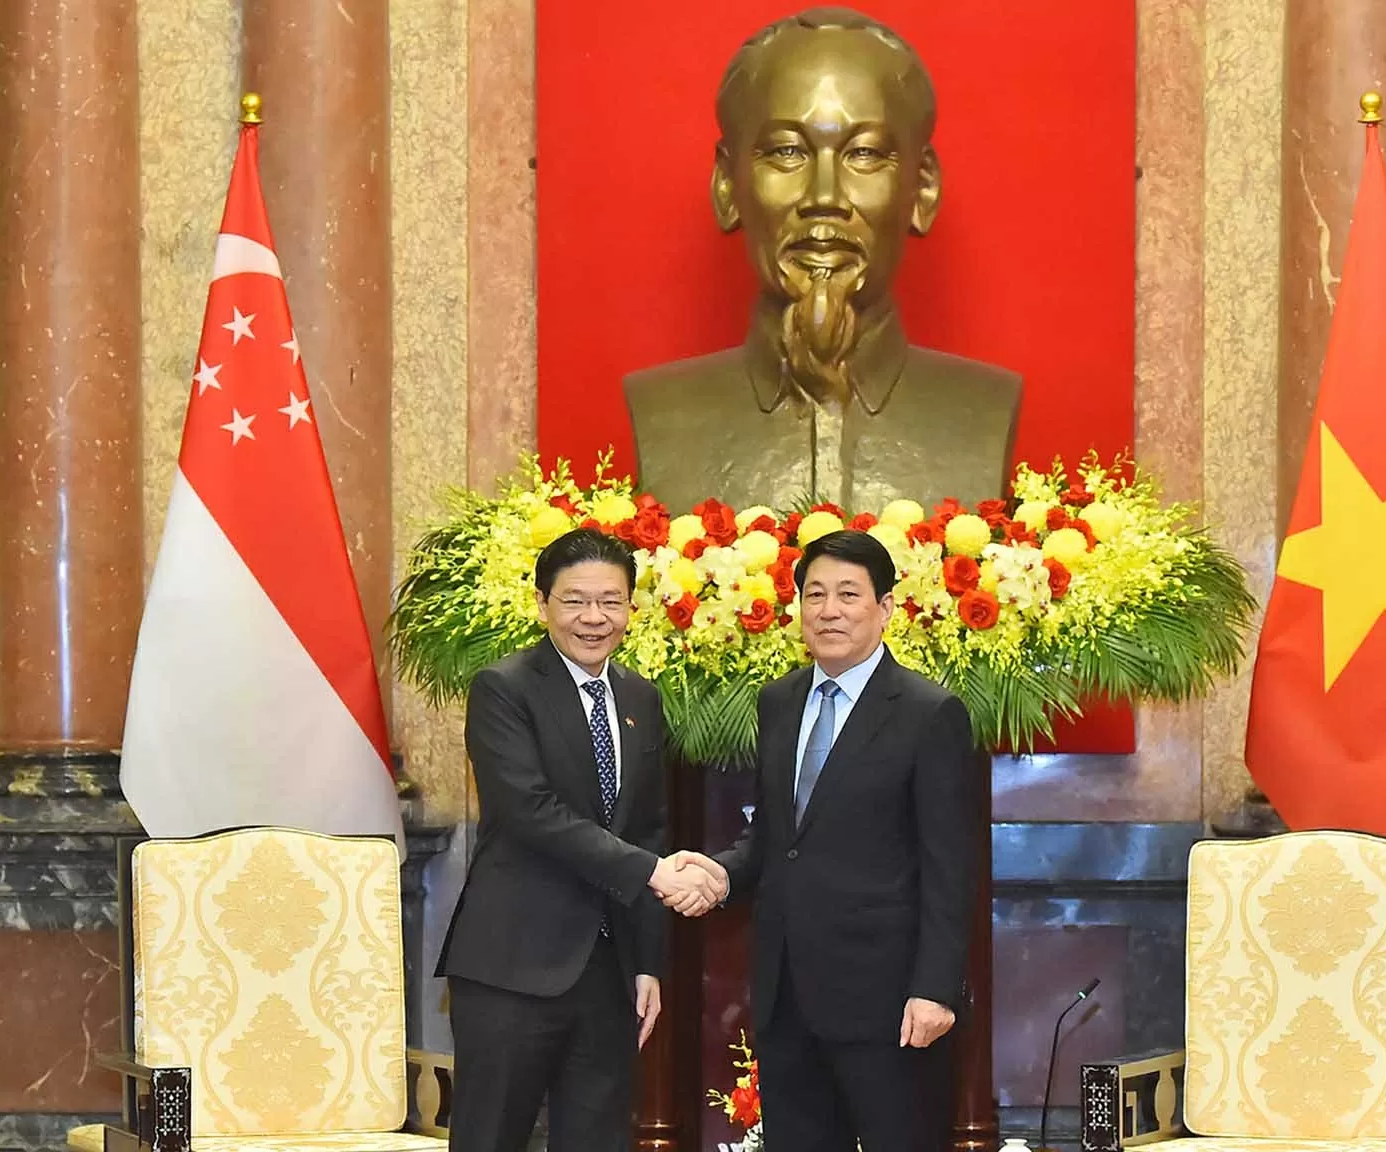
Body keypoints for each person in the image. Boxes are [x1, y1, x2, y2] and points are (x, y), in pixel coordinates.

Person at [624, 6, 1021, 514]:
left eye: (865, 154)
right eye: (787, 152)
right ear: (727, 185)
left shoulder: (984, 410)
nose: (825, 196)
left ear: (922, 188)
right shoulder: (663, 412)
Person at [437, 528, 728, 1152]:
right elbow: (529, 811)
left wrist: (648, 962)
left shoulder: (640, 699)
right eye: (574, 601)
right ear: (542, 605)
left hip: (608, 971)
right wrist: (654, 874)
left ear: (630, 608)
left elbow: (648, 827)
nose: (593, 618)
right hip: (512, 966)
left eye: (610, 601)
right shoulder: (504, 688)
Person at [709, 528, 980, 1152]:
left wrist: (936, 987)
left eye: (849, 594)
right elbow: (780, 836)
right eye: (815, 594)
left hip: (890, 1003)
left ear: (885, 608)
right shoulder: (778, 703)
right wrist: (719, 873)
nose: (829, 610)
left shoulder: (927, 712)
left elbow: (949, 864)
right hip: (788, 996)